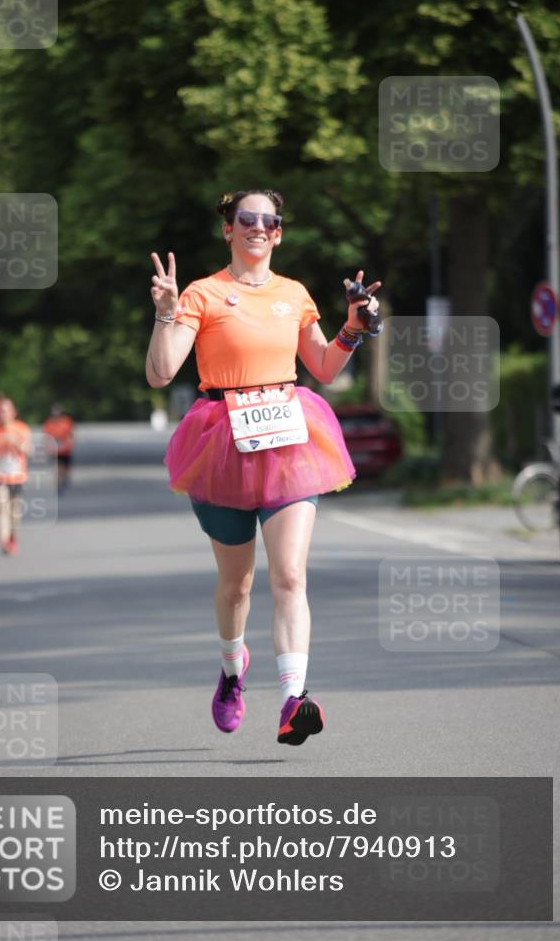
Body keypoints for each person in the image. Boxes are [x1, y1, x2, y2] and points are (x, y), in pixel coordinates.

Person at [146, 189, 381, 746]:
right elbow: (160, 373)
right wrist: (164, 312)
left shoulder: (294, 294)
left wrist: (352, 326)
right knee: (236, 586)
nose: (256, 227)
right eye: (244, 219)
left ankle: (292, 698)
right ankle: (232, 671)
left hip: (287, 437)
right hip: (221, 442)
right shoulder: (203, 294)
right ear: (228, 229)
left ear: (278, 233)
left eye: (267, 221)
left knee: (291, 575)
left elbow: (323, 366)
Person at [0, 398, 32, 555]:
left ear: (13, 412)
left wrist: (16, 443)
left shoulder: (21, 428)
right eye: (0, 411)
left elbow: (29, 450)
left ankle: (13, 537)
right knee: (1, 507)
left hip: (17, 476)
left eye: (6, 410)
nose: (3, 414)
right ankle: (4, 540)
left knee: (14, 513)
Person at [43, 404, 75, 492]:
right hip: (55, 449)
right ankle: (58, 482)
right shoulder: (49, 422)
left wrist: (70, 443)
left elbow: (71, 434)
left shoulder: (67, 421)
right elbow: (47, 436)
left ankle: (65, 477)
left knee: (65, 466)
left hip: (65, 448)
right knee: (57, 466)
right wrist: (47, 446)